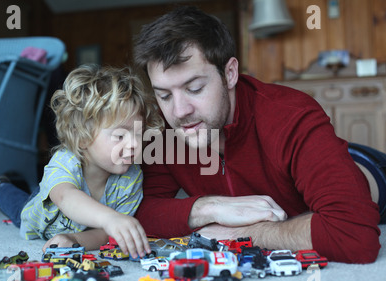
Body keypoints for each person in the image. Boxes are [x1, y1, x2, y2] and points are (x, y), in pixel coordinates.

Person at [133, 6, 381, 263]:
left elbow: (354, 235)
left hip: (369, 169)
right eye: (164, 95)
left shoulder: (290, 116)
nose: (180, 111)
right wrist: (209, 207)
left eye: (194, 88)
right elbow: (138, 211)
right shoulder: (164, 131)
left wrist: (243, 233)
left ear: (229, 74)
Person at [0, 64, 164, 258]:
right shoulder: (66, 161)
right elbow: (66, 197)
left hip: (74, 227)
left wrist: (74, 239)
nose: (134, 144)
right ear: (82, 137)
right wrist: (111, 218)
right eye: (120, 135)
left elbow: (107, 233)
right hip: (37, 214)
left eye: (139, 134)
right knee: (17, 206)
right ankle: (0, 186)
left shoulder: (131, 179)